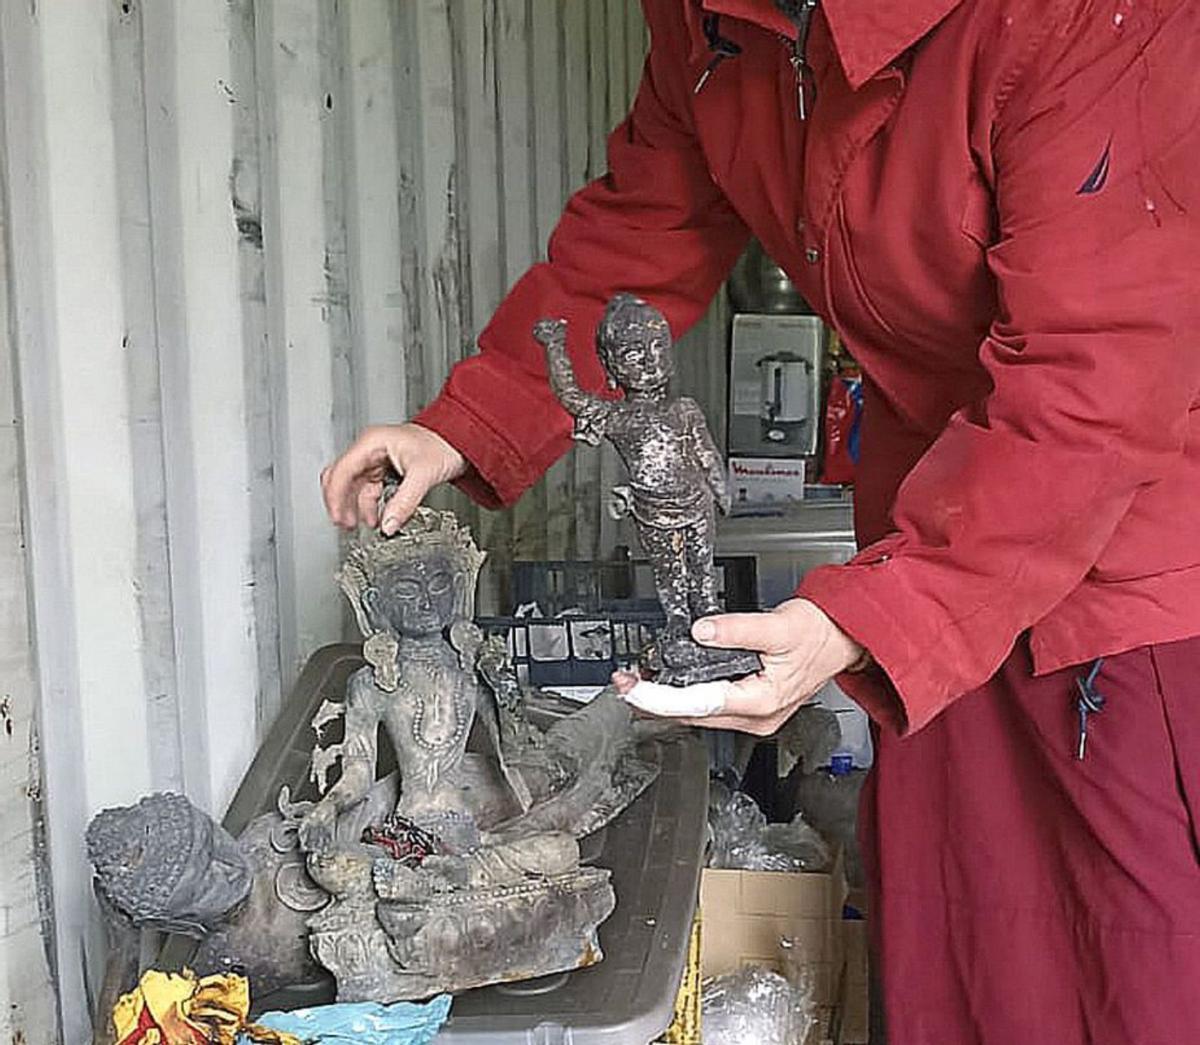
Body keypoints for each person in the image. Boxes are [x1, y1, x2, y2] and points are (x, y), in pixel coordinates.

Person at [321, 0, 1200, 1041]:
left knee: (1128, 957)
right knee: (961, 935)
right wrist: (469, 424)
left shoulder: (1088, 23)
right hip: (932, 522)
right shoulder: (710, 22)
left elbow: (1098, 378)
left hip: (1128, 558)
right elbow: (642, 235)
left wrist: (872, 617)